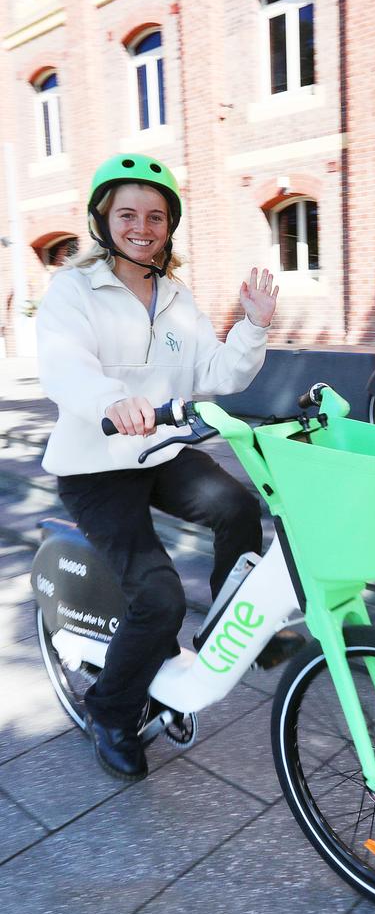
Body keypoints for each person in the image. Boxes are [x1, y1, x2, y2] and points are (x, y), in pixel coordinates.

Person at [36, 153, 295, 782]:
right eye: (128, 214)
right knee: (157, 596)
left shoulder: (176, 297)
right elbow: (64, 364)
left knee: (236, 506)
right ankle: (111, 712)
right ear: (104, 220)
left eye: (155, 215)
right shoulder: (74, 291)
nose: (142, 226)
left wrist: (253, 327)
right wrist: (110, 401)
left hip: (159, 451)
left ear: (169, 225)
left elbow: (216, 374)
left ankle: (233, 634)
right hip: (96, 465)